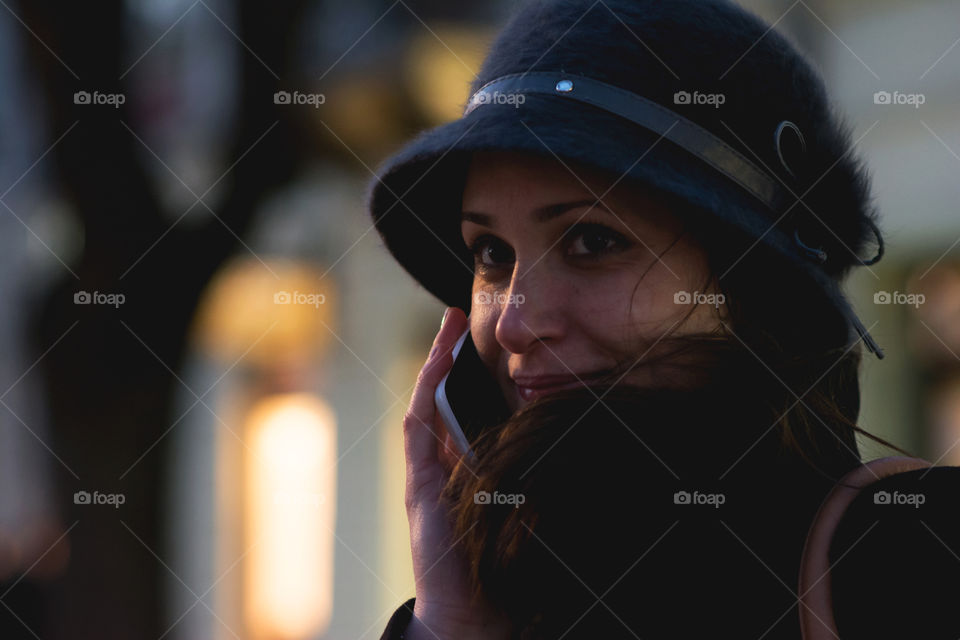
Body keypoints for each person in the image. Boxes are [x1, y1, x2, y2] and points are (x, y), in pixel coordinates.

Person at [365, 0, 960, 637]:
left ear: (752, 290)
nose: (516, 324)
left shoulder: (917, 558)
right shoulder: (510, 605)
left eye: (592, 241)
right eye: (491, 253)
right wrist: (449, 623)